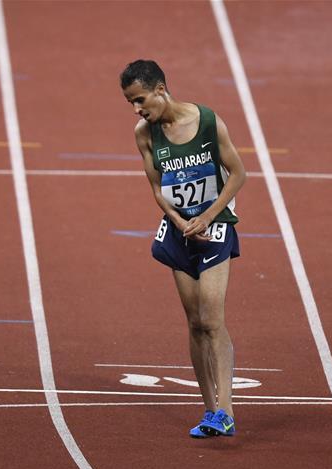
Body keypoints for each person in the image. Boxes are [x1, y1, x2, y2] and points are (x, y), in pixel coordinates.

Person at [120, 59, 246, 438]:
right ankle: (210, 410)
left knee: (211, 319)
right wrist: (177, 221)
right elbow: (158, 188)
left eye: (140, 99)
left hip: (215, 226)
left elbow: (238, 173)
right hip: (180, 230)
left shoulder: (207, 122)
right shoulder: (145, 133)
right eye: (129, 102)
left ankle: (226, 408)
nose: (137, 108)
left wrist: (208, 216)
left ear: (160, 89)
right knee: (194, 323)